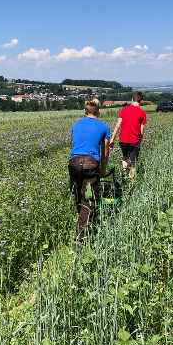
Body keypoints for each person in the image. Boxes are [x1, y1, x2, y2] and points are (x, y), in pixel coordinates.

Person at [68, 99, 110, 245]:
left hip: (73, 163)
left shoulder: (76, 124)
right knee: (89, 199)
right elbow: (105, 151)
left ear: (85, 111)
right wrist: (103, 169)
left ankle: (80, 218)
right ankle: (80, 237)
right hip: (91, 164)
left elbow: (73, 143)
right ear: (98, 110)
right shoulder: (103, 126)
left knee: (78, 194)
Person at [109, 91, 147, 179]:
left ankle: (125, 177)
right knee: (133, 162)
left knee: (125, 158)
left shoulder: (124, 110)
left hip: (123, 140)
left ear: (132, 99)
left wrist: (112, 139)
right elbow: (141, 131)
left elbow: (118, 125)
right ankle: (131, 181)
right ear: (141, 100)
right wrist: (140, 141)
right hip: (134, 141)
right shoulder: (142, 113)